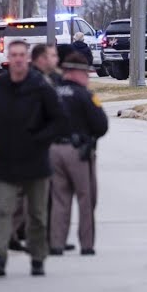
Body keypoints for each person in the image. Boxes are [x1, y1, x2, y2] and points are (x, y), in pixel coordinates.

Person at [0, 40, 68, 277]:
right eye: (14, 55)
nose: (18, 59)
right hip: (5, 161)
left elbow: (59, 120)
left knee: (37, 215)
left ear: (27, 58)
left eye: (22, 55)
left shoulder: (40, 87)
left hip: (35, 161)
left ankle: (38, 258)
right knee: (3, 210)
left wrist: (40, 138)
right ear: (9, 58)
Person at [50, 52, 108, 256]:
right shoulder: (85, 95)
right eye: (86, 73)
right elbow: (101, 125)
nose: (88, 77)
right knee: (86, 198)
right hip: (78, 152)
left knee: (59, 199)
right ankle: (87, 244)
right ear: (75, 72)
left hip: (54, 151)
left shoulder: (52, 92)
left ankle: (56, 243)